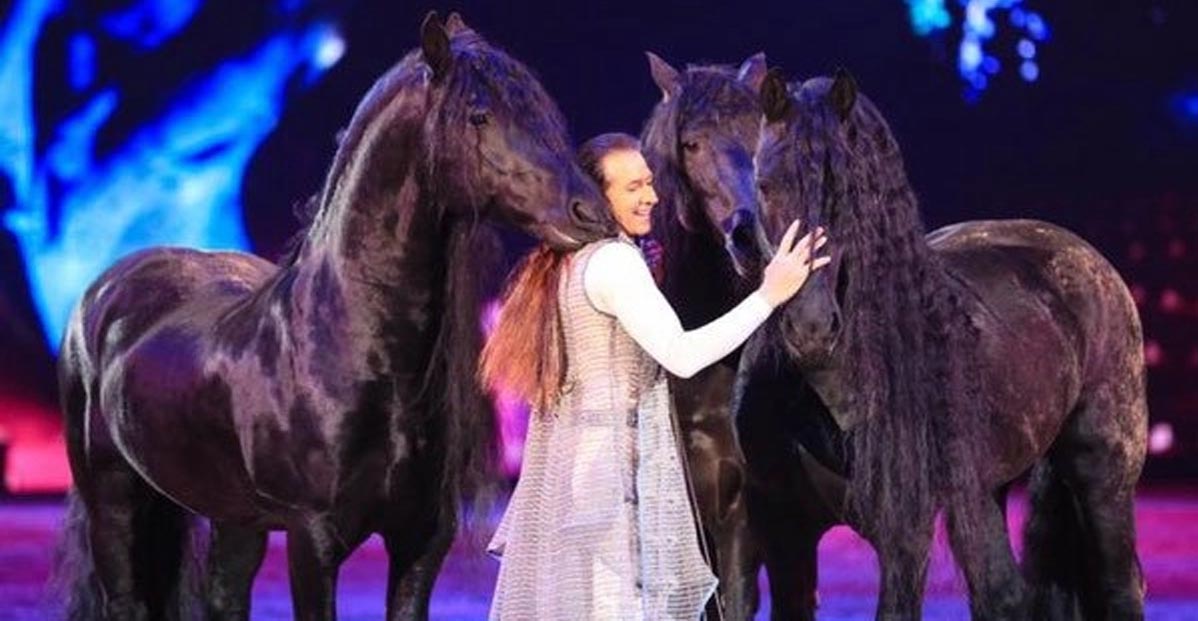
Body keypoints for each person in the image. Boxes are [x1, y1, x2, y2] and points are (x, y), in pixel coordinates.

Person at [481, 132, 829, 620]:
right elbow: (682, 356)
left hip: (586, 473)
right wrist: (770, 294)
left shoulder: (567, 261)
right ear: (598, 197)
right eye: (633, 187)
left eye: (648, 182)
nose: (651, 196)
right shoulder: (613, 262)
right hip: (612, 479)